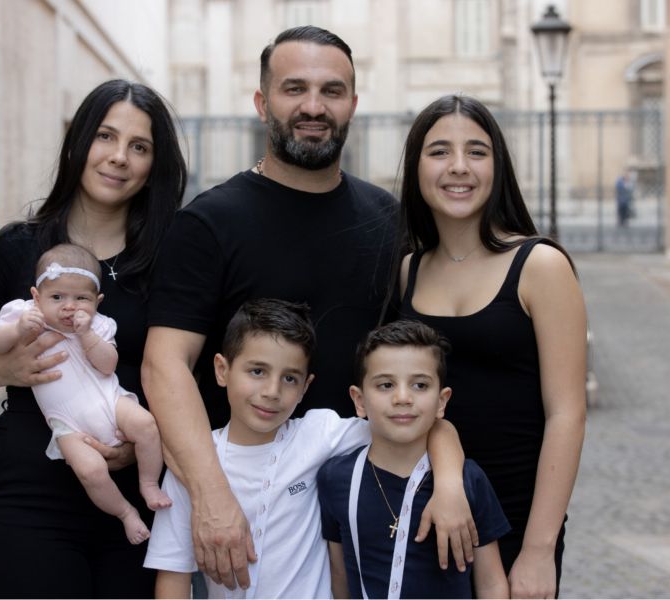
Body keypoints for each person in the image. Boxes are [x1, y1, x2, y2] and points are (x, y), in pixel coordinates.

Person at [141, 26, 476, 591]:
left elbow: (419, 370)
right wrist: (210, 493)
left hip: (370, 509)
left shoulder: (388, 222)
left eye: (332, 90)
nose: (314, 106)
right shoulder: (208, 224)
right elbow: (164, 364)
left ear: (353, 104)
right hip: (244, 513)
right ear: (261, 101)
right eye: (294, 88)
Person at [0, 79, 187, 598]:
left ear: (153, 166)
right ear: (77, 144)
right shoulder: (12, 249)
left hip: (141, 507)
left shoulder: (175, 260)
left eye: (139, 147)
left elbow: (192, 377)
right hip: (29, 499)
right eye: (104, 137)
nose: (119, 157)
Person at [393, 94, 587, 598]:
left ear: (498, 166)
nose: (459, 167)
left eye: (477, 152)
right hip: (431, 511)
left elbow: (567, 413)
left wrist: (541, 549)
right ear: (416, 166)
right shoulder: (407, 271)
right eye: (439, 152)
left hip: (520, 515)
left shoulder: (540, 265)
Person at [144, 298, 377, 598]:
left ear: (306, 386)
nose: (272, 392)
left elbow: (407, 429)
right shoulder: (194, 462)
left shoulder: (320, 433)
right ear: (222, 370)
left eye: (290, 378)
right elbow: (173, 574)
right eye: (257, 371)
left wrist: (450, 479)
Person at [0, 243, 171, 544]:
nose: (69, 307)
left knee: (146, 425)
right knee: (91, 471)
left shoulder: (100, 325)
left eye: (81, 299)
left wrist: (86, 334)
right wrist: (18, 330)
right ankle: (125, 513)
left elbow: (108, 365)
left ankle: (148, 484)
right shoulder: (22, 314)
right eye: (57, 297)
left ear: (97, 301)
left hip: (111, 402)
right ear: (36, 296)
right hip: (67, 424)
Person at [318, 320, 510, 599]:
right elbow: (339, 578)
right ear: (359, 400)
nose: (403, 397)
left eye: (420, 385)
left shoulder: (468, 480)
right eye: (385, 385)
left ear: (442, 401)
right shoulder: (335, 478)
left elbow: (491, 584)